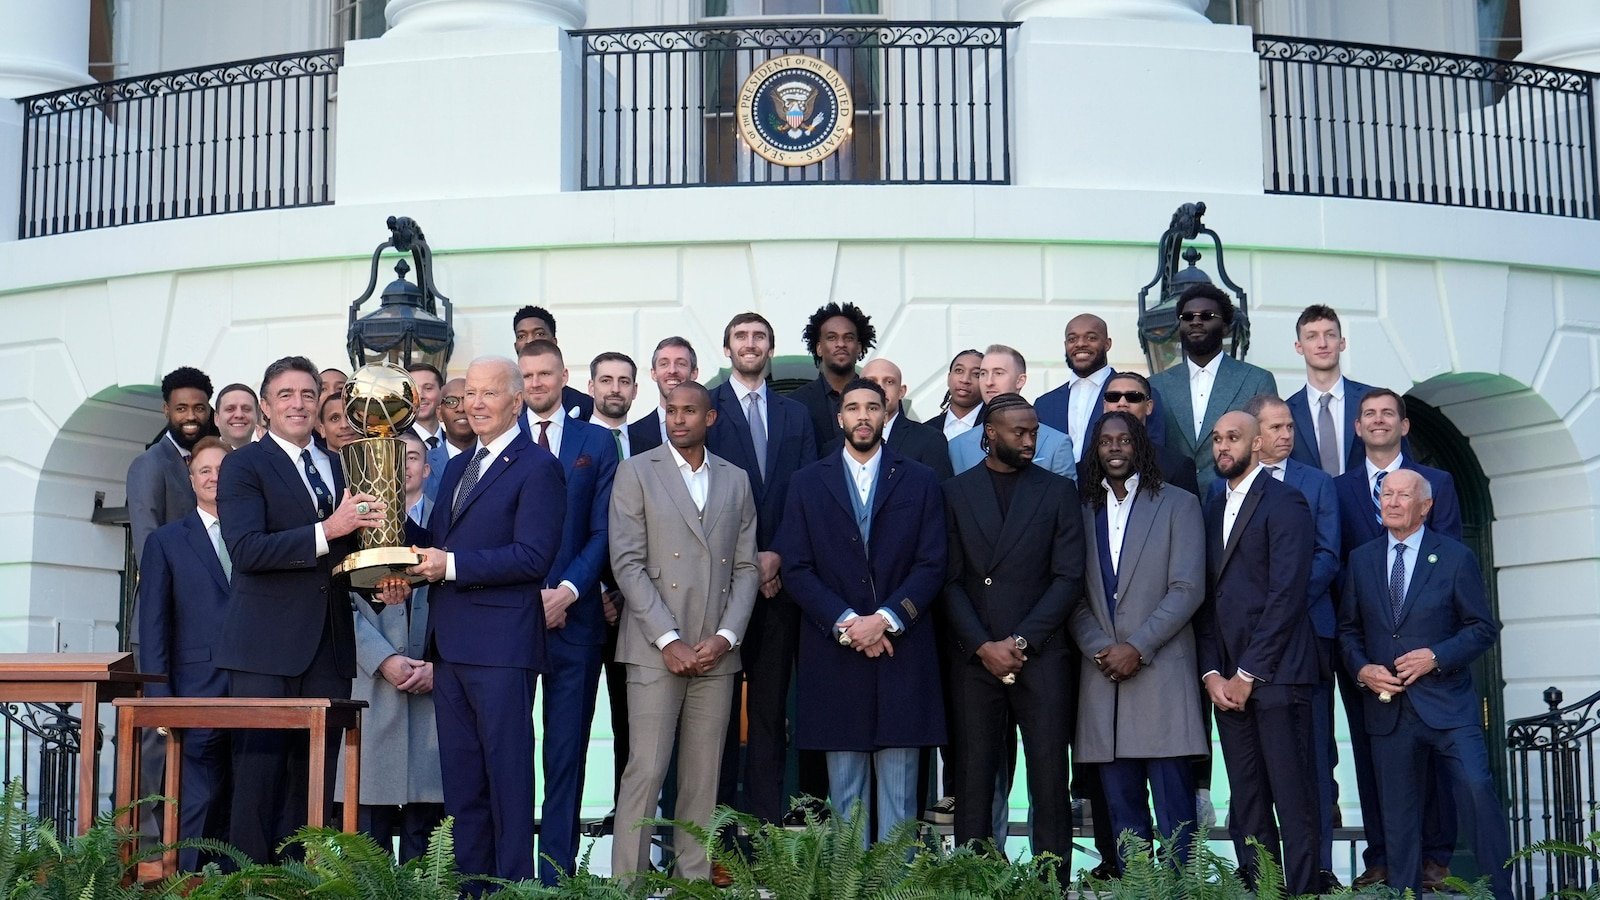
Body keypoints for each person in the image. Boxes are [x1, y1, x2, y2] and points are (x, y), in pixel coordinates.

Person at [215, 356, 394, 863]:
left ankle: (303, 886)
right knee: (257, 782)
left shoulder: (341, 464)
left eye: (307, 394)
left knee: (313, 783)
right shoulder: (243, 464)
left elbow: (353, 554)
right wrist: (327, 530)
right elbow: (247, 549)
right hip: (263, 650)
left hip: (329, 647)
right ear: (266, 407)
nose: (298, 403)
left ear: (320, 404)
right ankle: (246, 886)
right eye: (286, 395)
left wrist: (385, 582)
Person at [403, 355, 567, 884]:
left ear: (516, 402)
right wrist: (395, 543)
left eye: (487, 393)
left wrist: (446, 565)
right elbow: (440, 546)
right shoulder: (456, 465)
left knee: (508, 784)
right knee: (464, 788)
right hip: (449, 647)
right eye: (467, 393)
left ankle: (515, 890)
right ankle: (471, 890)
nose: (473, 403)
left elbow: (532, 557)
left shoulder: (539, 466)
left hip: (502, 649)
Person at [778, 379, 946, 846]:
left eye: (873, 406)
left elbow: (933, 562)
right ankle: (850, 885)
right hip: (835, 652)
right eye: (853, 408)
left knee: (900, 791)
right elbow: (796, 565)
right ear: (840, 418)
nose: (863, 416)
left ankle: (896, 888)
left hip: (901, 651)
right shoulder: (807, 482)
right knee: (845, 792)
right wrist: (847, 622)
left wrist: (887, 619)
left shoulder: (919, 479)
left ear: (886, 412)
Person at [609, 381, 759, 883]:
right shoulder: (635, 471)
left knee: (702, 780)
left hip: (716, 652)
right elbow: (626, 563)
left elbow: (747, 567)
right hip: (656, 649)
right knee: (646, 772)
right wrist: (668, 639)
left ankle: (692, 884)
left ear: (710, 418)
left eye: (689, 410)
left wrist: (726, 636)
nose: (677, 419)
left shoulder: (735, 479)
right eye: (670, 410)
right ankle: (626, 887)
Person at [1338, 469, 1511, 899]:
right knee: (1398, 818)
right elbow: (1347, 631)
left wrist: (1437, 655)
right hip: (1388, 709)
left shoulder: (1454, 557)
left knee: (1476, 789)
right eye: (1387, 494)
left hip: (1449, 706)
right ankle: (1403, 894)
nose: (1392, 502)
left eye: (1403, 495)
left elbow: (1482, 628)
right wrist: (1361, 669)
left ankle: (1501, 891)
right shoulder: (1361, 559)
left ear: (1426, 506)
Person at [1205, 395, 1342, 890]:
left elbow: (1287, 594)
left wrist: (1247, 674)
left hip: (1280, 674)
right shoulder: (1211, 501)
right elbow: (1208, 594)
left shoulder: (1288, 501)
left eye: (1234, 437)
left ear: (1259, 444)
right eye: (1218, 438)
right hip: (1226, 681)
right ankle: (1262, 886)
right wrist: (1213, 673)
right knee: (1247, 797)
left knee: (1295, 797)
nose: (1223, 446)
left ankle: (1303, 889)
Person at [941, 392, 1081, 871]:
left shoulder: (1058, 491)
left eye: (1034, 432)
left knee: (1048, 777)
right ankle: (974, 877)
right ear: (989, 435)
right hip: (976, 658)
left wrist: (1020, 642)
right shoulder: (955, 492)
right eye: (1019, 432)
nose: (1029, 440)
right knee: (974, 775)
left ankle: (1051, 880)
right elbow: (949, 579)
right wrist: (983, 645)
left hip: (1040, 656)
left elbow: (1069, 577)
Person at [1334, 387, 1461, 889]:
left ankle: (1436, 858)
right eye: (1369, 415)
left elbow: (1453, 561)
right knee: (1372, 754)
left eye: (1389, 413)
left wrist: (1435, 649)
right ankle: (1383, 856)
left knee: (1437, 754)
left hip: (1429, 650)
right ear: (1358, 428)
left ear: (1404, 426)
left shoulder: (1439, 483)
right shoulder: (1339, 490)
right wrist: (1361, 658)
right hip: (1367, 651)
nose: (1379, 420)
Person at [1070, 412, 1206, 870]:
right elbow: (1069, 590)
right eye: (1106, 441)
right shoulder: (1078, 508)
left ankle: (1181, 890)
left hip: (1160, 673)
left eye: (1123, 440)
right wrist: (1099, 647)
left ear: (1139, 446)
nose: (1114, 448)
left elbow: (1188, 587)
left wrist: (1138, 647)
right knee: (1122, 815)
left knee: (1175, 816)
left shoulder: (1179, 504)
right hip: (1102, 675)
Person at [706, 313, 821, 826]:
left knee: (772, 718)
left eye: (759, 337)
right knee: (720, 719)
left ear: (771, 348)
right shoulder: (708, 411)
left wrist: (776, 557)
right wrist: (751, 562)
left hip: (780, 588)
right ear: (727, 348)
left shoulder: (795, 416)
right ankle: (719, 840)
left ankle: (765, 837)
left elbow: (809, 495)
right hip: (721, 588)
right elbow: (702, 499)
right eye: (740, 337)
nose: (750, 345)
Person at [515, 340, 620, 886]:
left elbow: (606, 531)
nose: (536, 383)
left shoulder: (597, 443)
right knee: (510, 753)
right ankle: (509, 877)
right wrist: (528, 597)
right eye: (527, 374)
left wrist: (571, 591)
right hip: (509, 621)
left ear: (564, 376)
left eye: (545, 373)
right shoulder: (501, 441)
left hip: (574, 623)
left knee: (565, 755)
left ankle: (555, 879)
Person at [340, 430, 444, 862]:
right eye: (389, 459)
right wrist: (381, 658)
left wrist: (438, 663)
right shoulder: (344, 529)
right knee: (368, 825)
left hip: (430, 688)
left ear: (426, 467)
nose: (401, 466)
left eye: (411, 456)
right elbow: (333, 603)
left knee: (430, 827)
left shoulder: (445, 525)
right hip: (371, 686)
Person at [137, 436, 235, 871]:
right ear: (190, 478)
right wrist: (160, 701)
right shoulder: (167, 541)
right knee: (197, 799)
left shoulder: (255, 534)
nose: (214, 478)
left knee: (242, 799)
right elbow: (153, 626)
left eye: (222, 470)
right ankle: (189, 885)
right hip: (196, 691)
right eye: (205, 471)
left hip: (257, 688)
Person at [1147, 284, 1279, 493]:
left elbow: (1268, 449)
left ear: (1226, 326)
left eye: (1207, 316)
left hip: (1236, 502)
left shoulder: (1257, 380)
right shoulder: (1155, 385)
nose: (1196, 322)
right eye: (1187, 317)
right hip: (1171, 506)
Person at [586, 350, 641, 822]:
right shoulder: (575, 441)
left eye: (624, 381)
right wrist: (600, 589)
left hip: (640, 608)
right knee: (573, 728)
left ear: (636, 390)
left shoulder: (650, 443)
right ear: (590, 387)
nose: (615, 389)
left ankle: (632, 834)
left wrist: (625, 593)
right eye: (606, 380)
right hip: (585, 604)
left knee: (633, 726)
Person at [128, 366, 214, 565]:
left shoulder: (215, 461)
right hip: (171, 591)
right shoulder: (149, 463)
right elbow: (147, 544)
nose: (191, 416)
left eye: (199, 408)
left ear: (209, 410)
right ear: (166, 410)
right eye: (181, 408)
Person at [948, 345, 1074, 478]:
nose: (988, 382)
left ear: (1020, 381)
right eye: (983, 374)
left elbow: (1064, 496)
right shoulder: (958, 446)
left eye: (998, 373)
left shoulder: (1057, 443)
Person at [1287, 304, 1378, 476]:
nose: (1322, 344)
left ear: (1342, 343)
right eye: (1312, 337)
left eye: (1330, 335)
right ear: (1299, 347)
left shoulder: (1373, 401)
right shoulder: (1287, 411)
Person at [1094, 371, 1198, 496]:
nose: (1122, 403)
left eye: (1133, 397)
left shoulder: (1177, 467)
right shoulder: (1087, 467)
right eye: (1113, 397)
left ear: (1149, 406)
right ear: (1105, 405)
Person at [850, 358, 953, 479]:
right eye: (871, 381)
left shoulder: (929, 440)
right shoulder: (835, 446)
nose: (880, 388)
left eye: (889, 382)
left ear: (901, 391)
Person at [790, 302, 876, 446]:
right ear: (819, 348)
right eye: (831, 337)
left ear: (859, 347)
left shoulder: (879, 398)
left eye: (848, 338)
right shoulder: (796, 403)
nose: (841, 344)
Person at [1034, 313, 1116, 463]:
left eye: (1091, 338)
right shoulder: (1044, 404)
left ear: (1107, 344)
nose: (1080, 344)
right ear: (1066, 345)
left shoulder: (1133, 395)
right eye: (1072, 339)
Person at [512, 305, 594, 419]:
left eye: (539, 334)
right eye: (521, 336)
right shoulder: (506, 406)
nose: (529, 341)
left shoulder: (586, 405)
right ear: (515, 345)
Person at [629, 337, 698, 455]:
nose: (672, 370)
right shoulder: (632, 434)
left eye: (681, 363)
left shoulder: (716, 430)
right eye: (664, 364)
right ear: (653, 373)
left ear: (694, 373)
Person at [406, 362, 456, 500]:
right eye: (413, 389)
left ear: (442, 392)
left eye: (428, 388)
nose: (420, 396)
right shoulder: (396, 443)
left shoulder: (455, 442)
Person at [923, 349, 984, 443]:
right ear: (948, 377)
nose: (965, 380)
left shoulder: (995, 427)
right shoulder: (926, 430)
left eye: (976, 374)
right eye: (959, 370)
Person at [215, 383, 260, 449]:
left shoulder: (271, 457)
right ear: (217, 418)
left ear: (257, 416)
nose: (239, 415)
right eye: (230, 409)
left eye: (246, 409)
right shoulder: (202, 457)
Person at [438, 377, 474, 453]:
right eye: (451, 402)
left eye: (467, 400)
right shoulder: (424, 460)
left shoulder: (497, 458)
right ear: (439, 413)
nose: (461, 409)